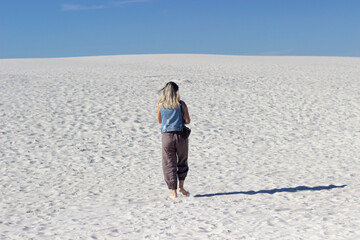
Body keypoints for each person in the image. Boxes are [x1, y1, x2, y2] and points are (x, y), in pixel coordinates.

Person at [157, 82, 191, 198]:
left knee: (169, 163)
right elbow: (187, 120)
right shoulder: (181, 104)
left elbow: (160, 120)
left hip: (167, 136)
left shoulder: (161, 105)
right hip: (180, 135)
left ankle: (173, 192)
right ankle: (181, 186)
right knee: (182, 161)